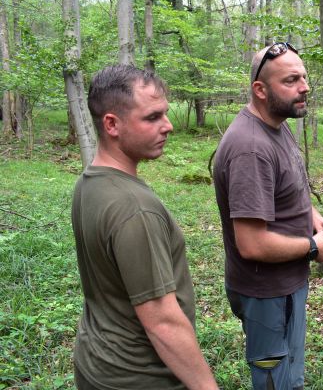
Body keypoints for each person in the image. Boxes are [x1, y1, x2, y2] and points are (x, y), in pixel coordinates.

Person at [71, 65, 218, 390]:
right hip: (141, 376)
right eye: (152, 118)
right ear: (112, 124)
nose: (168, 127)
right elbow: (162, 321)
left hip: (97, 362)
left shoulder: (89, 182)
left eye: (165, 114)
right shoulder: (134, 207)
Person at [213, 43, 323, 390]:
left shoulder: (277, 126)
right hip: (267, 293)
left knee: (290, 378)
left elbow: (283, 187)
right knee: (275, 382)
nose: (305, 87)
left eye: (305, 77)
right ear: (260, 90)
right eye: (292, 80)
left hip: (286, 284)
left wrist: (310, 214)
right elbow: (251, 244)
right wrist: (313, 246)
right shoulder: (251, 147)